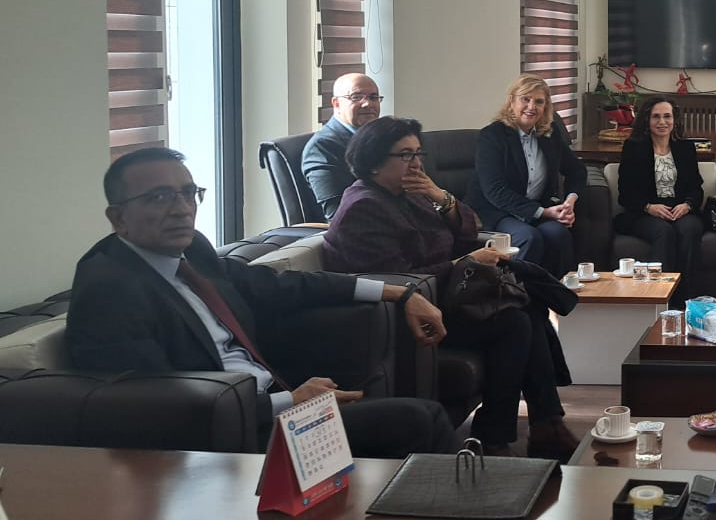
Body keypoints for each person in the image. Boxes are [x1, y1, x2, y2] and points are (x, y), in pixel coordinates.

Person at [66, 147, 458, 459]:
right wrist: (291, 402)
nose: (182, 209)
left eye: (188, 193)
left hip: (272, 399)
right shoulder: (109, 289)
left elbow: (274, 284)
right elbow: (153, 404)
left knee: (416, 414)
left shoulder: (191, 249)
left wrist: (395, 291)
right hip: (231, 434)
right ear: (118, 217)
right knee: (419, 420)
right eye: (159, 197)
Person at [321, 116, 578, 459]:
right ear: (374, 162)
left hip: (445, 295)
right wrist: (464, 263)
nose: (416, 163)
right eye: (405, 155)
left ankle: (544, 424)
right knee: (514, 322)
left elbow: (471, 229)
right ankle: (505, 435)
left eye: (418, 153)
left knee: (527, 304)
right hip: (405, 314)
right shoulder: (364, 207)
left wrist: (442, 198)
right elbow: (398, 280)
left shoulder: (411, 193)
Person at [469, 74, 587, 275]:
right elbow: (495, 191)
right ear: (512, 101)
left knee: (558, 235)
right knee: (528, 237)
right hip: (497, 211)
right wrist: (544, 212)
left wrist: (570, 201)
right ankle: (515, 291)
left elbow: (576, 170)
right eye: (525, 99)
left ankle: (557, 292)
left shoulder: (549, 133)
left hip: (535, 209)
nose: (531, 107)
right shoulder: (492, 136)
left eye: (539, 102)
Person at [615, 96, 711, 304]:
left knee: (690, 228)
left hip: (680, 209)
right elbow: (625, 192)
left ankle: (689, 299)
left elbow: (696, 187)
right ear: (646, 120)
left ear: (674, 120)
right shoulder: (633, 147)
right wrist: (649, 207)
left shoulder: (685, 148)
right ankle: (660, 298)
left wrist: (687, 205)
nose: (662, 122)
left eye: (667, 116)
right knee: (664, 231)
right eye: (656, 117)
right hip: (644, 212)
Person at [302, 73, 383, 218]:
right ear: (336, 103)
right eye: (356, 97)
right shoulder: (322, 148)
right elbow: (339, 216)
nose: (368, 104)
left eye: (373, 97)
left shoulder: (383, 138)